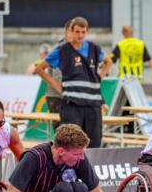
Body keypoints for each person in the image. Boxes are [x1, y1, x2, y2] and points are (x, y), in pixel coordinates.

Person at [34, 17, 112, 148]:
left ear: (87, 32)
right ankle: (68, 168)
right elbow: (39, 68)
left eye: (83, 32)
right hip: (72, 104)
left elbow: (108, 61)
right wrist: (57, 86)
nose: (80, 35)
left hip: (93, 104)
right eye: (77, 31)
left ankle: (89, 168)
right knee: (70, 142)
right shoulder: (62, 50)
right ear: (71, 31)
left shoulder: (94, 48)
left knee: (94, 143)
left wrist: (100, 77)